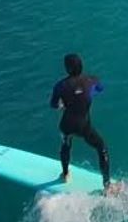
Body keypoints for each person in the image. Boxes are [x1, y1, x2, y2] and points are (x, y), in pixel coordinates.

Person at [50, 53, 117, 193]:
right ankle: (107, 185)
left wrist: (63, 104)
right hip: (84, 126)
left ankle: (65, 174)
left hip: (66, 125)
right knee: (102, 147)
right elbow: (100, 89)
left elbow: (54, 105)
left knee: (66, 144)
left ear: (67, 69)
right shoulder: (92, 81)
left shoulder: (60, 86)